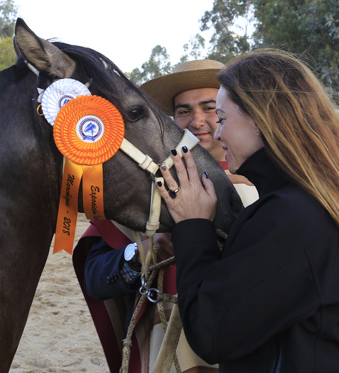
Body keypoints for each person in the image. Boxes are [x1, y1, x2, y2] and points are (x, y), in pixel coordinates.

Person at [156, 49, 339, 372]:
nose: (217, 132)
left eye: (223, 118)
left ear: (261, 120)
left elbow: (209, 331)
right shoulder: (305, 200)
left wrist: (193, 227)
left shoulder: (292, 216)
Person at [74, 60, 258, 373]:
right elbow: (95, 279)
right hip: (158, 355)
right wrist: (143, 253)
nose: (197, 121)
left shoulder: (265, 191)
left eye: (210, 108)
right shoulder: (144, 193)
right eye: (184, 111)